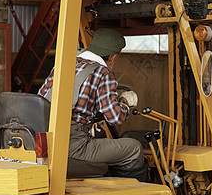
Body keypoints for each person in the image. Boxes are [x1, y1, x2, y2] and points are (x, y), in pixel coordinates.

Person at [38, 28, 147, 181]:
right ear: (113, 57)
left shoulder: (62, 65)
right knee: (133, 149)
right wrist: (125, 102)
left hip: (45, 139)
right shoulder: (103, 74)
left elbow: (42, 99)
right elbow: (116, 118)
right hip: (73, 147)